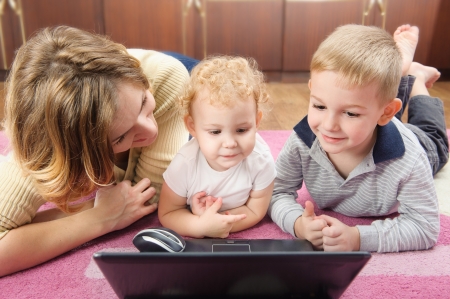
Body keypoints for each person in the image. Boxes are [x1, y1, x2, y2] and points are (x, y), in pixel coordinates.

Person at [0, 25, 196, 276]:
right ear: (75, 157)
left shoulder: (165, 79)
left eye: (144, 104)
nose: (151, 132)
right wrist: (100, 217)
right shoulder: (45, 149)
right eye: (120, 138)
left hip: (178, 73)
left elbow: (148, 198)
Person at [268, 24, 448, 253]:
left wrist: (358, 238)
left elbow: (424, 228)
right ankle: (399, 70)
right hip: (376, 116)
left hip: (422, 142)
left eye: (350, 113)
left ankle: (416, 77)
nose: (328, 125)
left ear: (385, 113)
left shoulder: (411, 159)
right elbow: (276, 192)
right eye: (319, 105)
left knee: (434, 135)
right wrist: (297, 223)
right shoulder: (303, 139)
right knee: (376, 96)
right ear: (311, 90)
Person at [158, 56, 276, 238]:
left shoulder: (261, 160)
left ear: (257, 121)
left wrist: (219, 223)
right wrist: (199, 226)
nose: (230, 143)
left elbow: (255, 210)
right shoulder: (184, 164)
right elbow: (168, 212)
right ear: (192, 127)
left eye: (242, 130)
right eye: (215, 132)